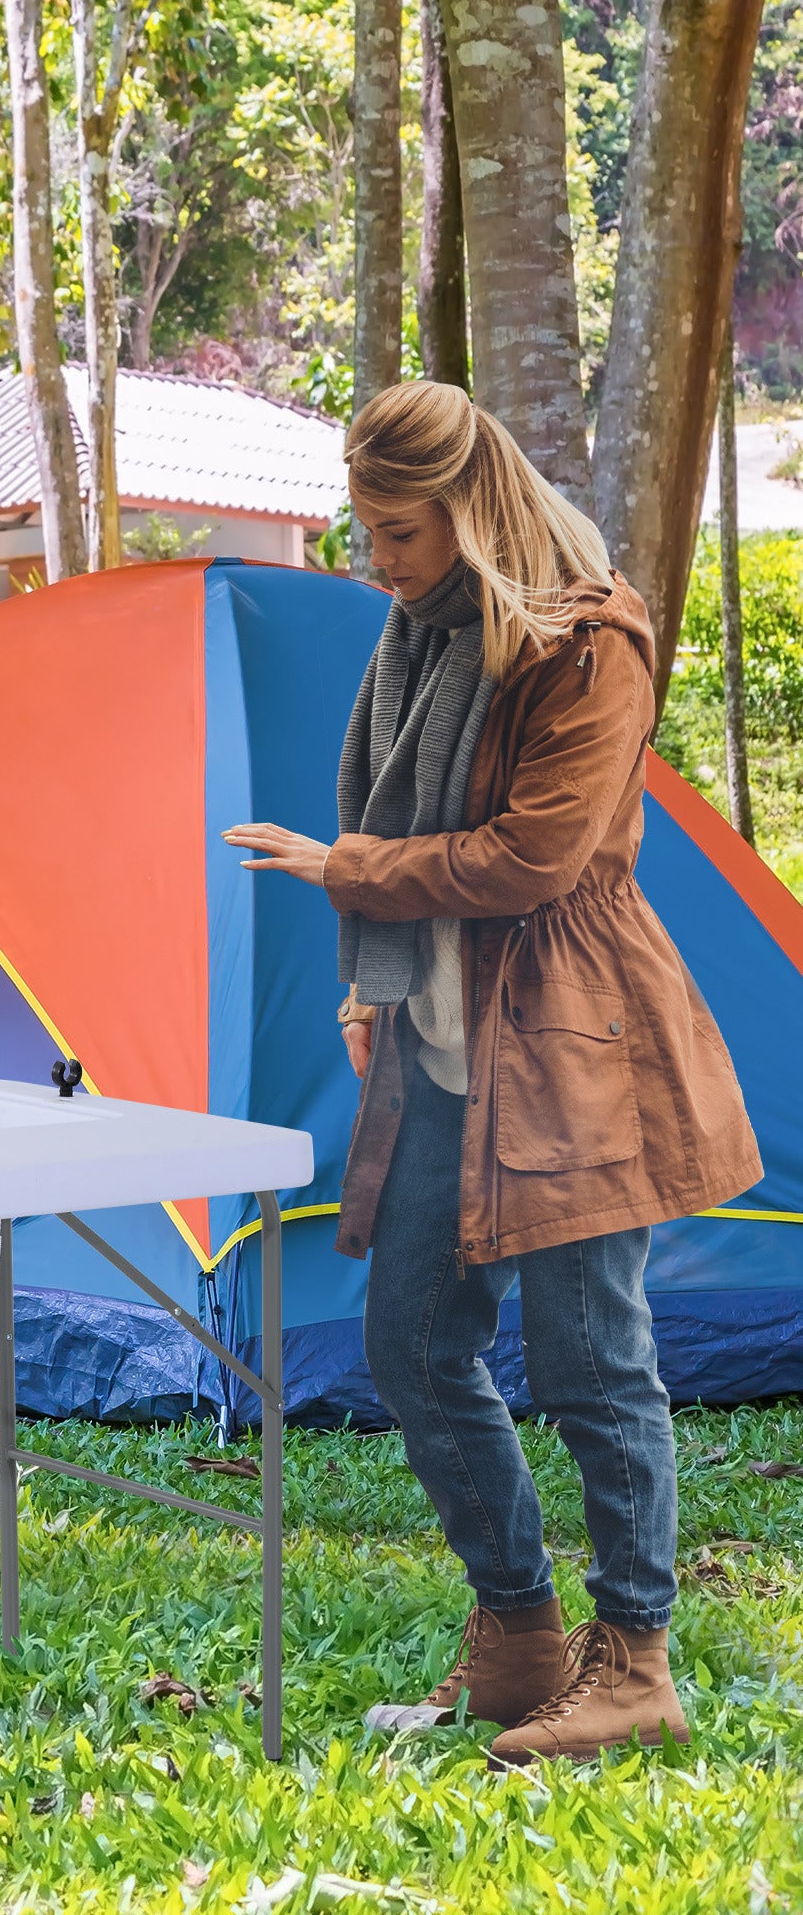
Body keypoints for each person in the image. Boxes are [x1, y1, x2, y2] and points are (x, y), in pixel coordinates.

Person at [224, 381, 759, 1767]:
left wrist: (345, 874)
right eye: (366, 530)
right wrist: (365, 974)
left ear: (469, 512)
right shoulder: (424, 629)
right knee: (408, 1342)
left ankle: (635, 1662)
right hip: (441, 1040)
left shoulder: (587, 646)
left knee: (595, 1364)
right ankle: (521, 1633)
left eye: (396, 534)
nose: (376, 563)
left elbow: (532, 859)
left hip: (573, 1045)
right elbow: (406, 802)